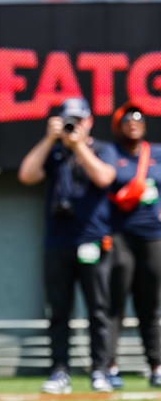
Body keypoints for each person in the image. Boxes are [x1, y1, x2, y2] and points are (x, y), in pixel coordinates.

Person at [18, 97, 116, 393]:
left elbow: (104, 177)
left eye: (79, 120)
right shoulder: (55, 151)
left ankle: (100, 370)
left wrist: (78, 146)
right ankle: (59, 371)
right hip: (58, 243)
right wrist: (50, 139)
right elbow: (27, 175)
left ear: (89, 122)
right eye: (68, 120)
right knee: (59, 311)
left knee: (98, 310)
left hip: (93, 241)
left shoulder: (102, 149)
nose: (74, 125)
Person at [105, 103, 161, 389]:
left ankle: (156, 365)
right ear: (119, 125)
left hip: (152, 237)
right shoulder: (111, 153)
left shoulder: (157, 154)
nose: (133, 124)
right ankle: (110, 367)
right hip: (120, 237)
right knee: (116, 304)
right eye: (127, 120)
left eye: (138, 119)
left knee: (149, 305)